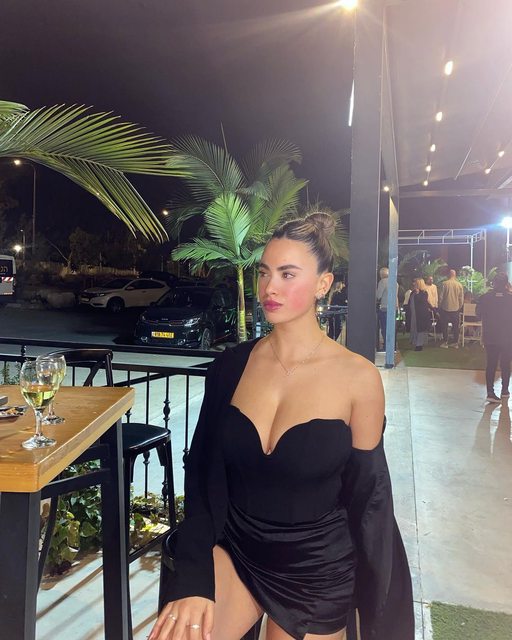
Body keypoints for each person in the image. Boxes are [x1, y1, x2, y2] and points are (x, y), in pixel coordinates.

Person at [149, 212, 414, 640]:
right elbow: (200, 474)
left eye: (287, 274)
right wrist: (194, 575)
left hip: (316, 568)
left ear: (323, 284)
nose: (269, 288)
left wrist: (378, 607)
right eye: (264, 272)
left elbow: (370, 498)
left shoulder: (358, 379)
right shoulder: (230, 367)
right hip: (238, 548)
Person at [476, 272, 512, 403]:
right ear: (506, 284)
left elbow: (478, 314)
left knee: (491, 364)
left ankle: (490, 392)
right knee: (506, 364)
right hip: (507, 337)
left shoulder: (484, 298)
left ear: (494, 283)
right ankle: (505, 390)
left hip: (490, 336)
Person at [439, 269, 464, 348]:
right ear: (455, 275)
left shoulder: (444, 284)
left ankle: (445, 342)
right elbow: (461, 298)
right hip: (455, 309)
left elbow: (441, 297)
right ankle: (455, 343)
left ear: (449, 275)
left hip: (445, 308)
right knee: (455, 327)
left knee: (445, 326)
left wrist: (440, 305)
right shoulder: (459, 285)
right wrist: (459, 306)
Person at [409, 278, 431, 351]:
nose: (413, 284)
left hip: (421, 315)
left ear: (419, 284)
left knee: (420, 329)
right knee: (415, 328)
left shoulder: (424, 293)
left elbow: (423, 302)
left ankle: (419, 345)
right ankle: (415, 342)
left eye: (415, 283)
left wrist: (418, 294)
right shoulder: (413, 293)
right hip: (414, 314)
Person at [376, 267, 395, 351]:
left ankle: (386, 346)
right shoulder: (394, 282)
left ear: (381, 274)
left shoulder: (382, 282)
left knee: (384, 328)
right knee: (392, 328)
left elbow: (378, 295)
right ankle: (392, 346)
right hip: (394, 308)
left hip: (384, 308)